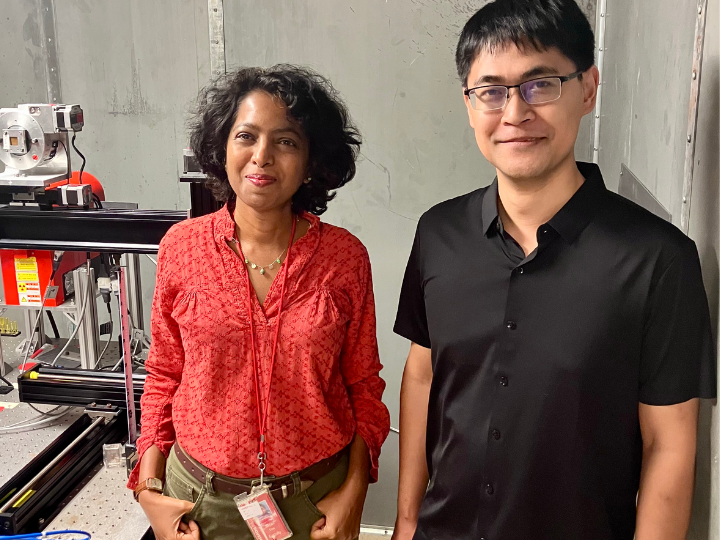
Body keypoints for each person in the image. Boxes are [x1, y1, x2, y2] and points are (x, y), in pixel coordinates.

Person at [392, 1, 717, 539]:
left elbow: (670, 446)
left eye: (540, 84)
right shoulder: (438, 233)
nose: (514, 112)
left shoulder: (658, 260)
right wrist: (406, 522)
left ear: (588, 88)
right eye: (491, 91)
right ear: (470, 106)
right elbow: (423, 376)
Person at [127, 65, 390, 540]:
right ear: (222, 148)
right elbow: (164, 374)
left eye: (286, 141)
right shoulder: (181, 248)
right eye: (246, 136)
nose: (262, 156)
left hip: (314, 503)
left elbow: (363, 388)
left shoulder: (343, 257)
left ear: (311, 159)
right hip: (201, 506)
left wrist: (355, 492)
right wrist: (148, 487)